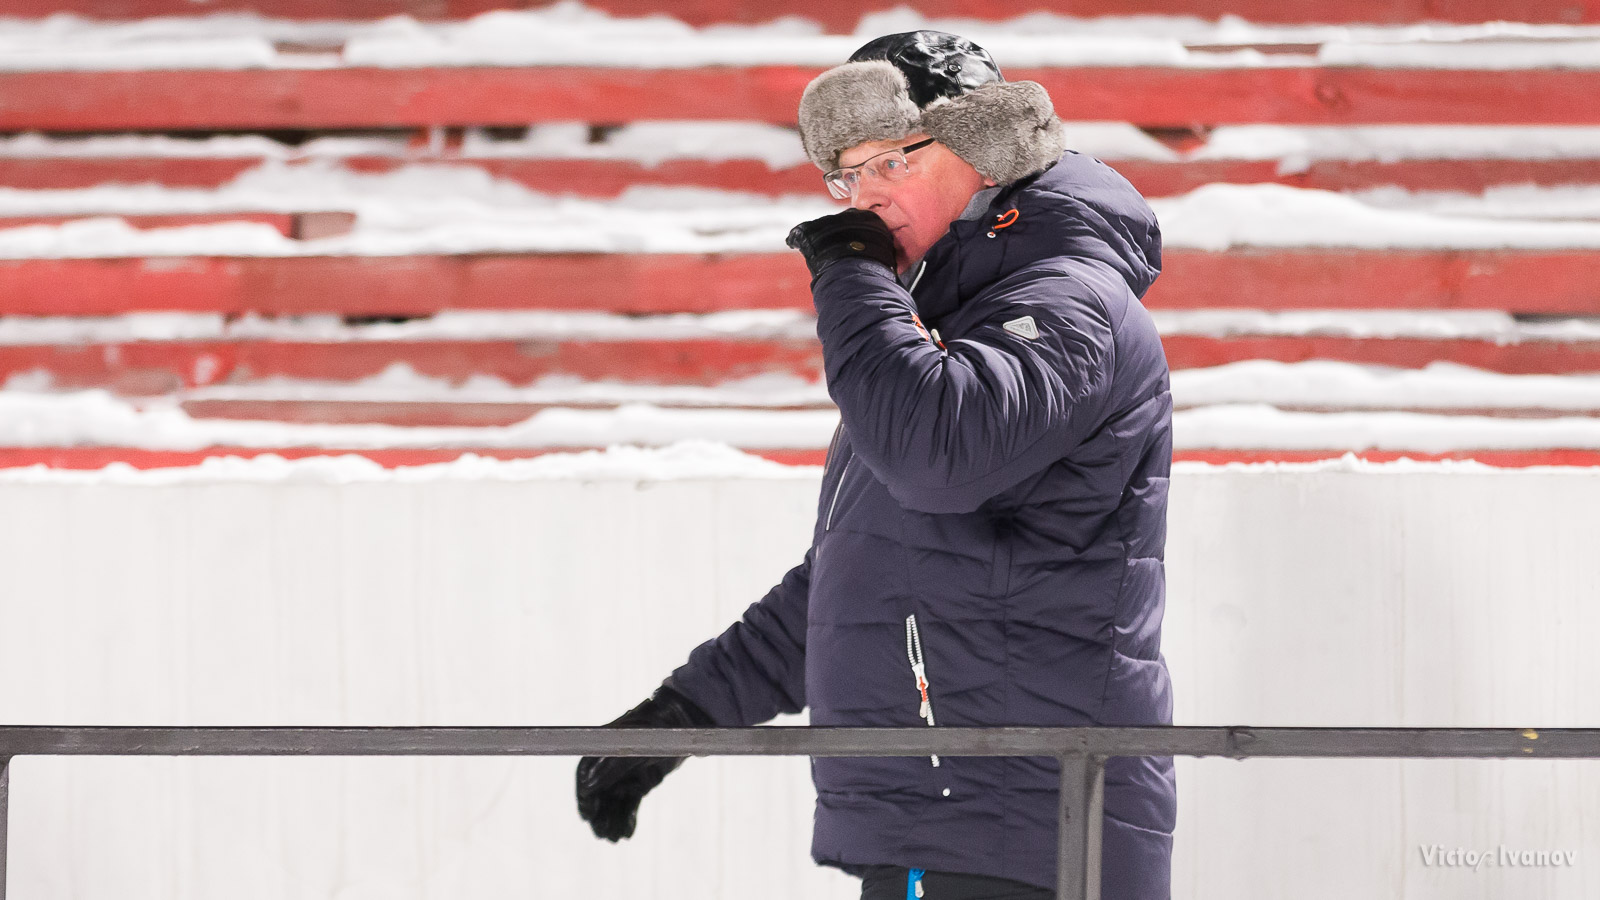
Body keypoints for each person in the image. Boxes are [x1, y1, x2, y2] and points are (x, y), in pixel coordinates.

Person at [576, 30, 1175, 900]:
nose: (863, 199)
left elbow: (933, 460)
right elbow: (871, 576)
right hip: (947, 818)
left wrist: (854, 278)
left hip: (1029, 823)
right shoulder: (945, 333)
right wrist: (682, 715)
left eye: (890, 163)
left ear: (982, 145)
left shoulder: (1067, 299)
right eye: (846, 177)